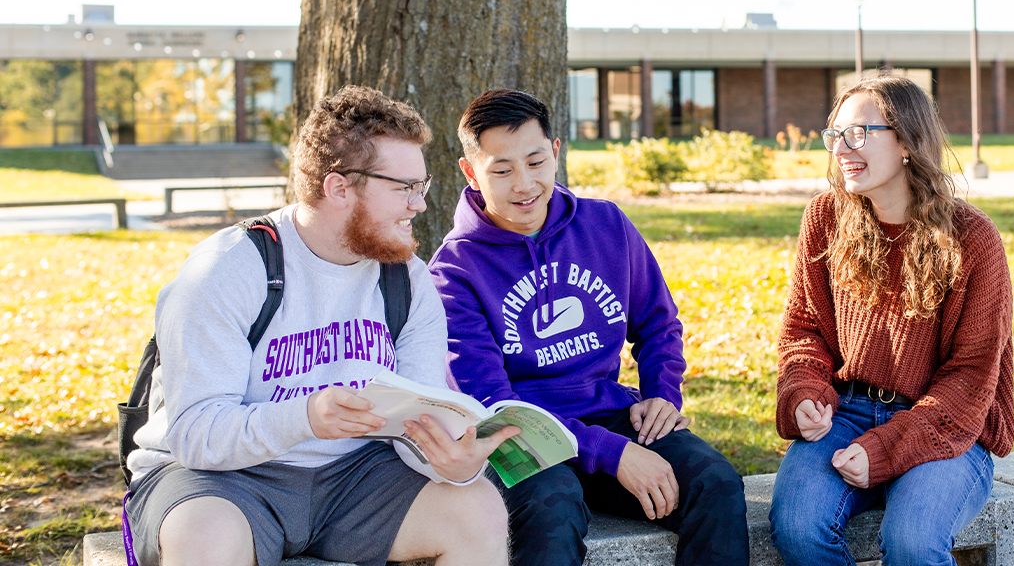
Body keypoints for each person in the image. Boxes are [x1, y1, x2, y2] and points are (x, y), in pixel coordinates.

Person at [124, 85, 517, 566]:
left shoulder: (408, 280)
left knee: (477, 510)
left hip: (355, 476)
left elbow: (419, 423)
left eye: (422, 186)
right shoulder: (228, 269)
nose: (419, 205)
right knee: (206, 540)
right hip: (224, 479)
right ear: (339, 188)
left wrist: (452, 464)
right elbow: (195, 435)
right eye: (403, 188)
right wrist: (305, 417)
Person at [428, 89, 749, 566]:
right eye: (501, 170)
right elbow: (492, 406)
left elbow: (658, 323)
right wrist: (613, 454)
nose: (524, 184)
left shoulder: (606, 224)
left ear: (556, 152)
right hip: (517, 438)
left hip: (609, 415)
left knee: (715, 482)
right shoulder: (454, 271)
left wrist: (662, 394)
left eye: (536, 162)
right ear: (471, 172)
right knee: (551, 506)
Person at [768, 75, 1014, 566]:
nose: (841, 148)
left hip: (949, 427)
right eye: (835, 134)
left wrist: (887, 447)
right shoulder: (825, 218)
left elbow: (971, 378)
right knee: (798, 527)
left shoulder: (973, 238)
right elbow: (804, 331)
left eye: (858, 133)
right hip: (846, 414)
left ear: (906, 141)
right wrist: (804, 394)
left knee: (912, 542)